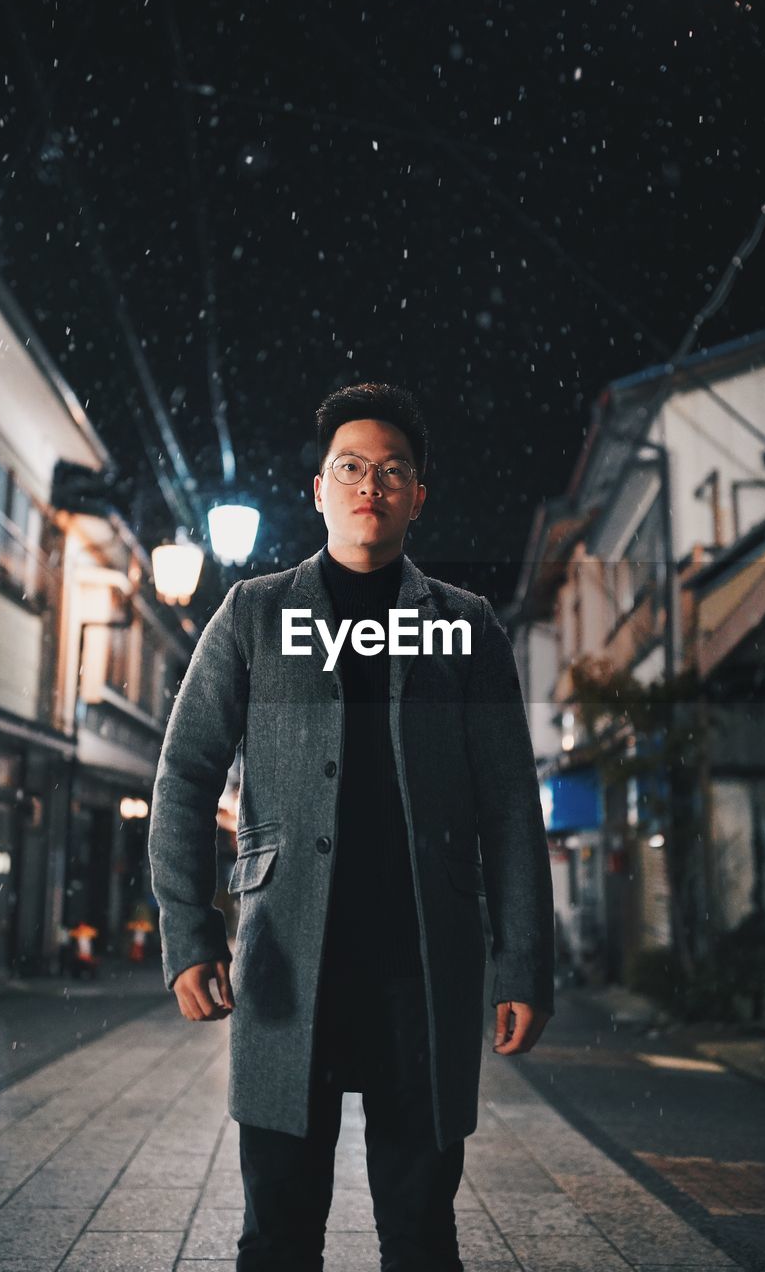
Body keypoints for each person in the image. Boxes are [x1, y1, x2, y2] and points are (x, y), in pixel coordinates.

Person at [148, 382, 555, 1272]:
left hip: (422, 967)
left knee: (420, 1235)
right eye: (351, 467)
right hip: (291, 967)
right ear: (321, 491)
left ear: (418, 495)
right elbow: (183, 777)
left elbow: (510, 809)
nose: (371, 483)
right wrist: (188, 934)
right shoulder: (255, 615)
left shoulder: (465, 625)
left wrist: (523, 962)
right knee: (278, 1234)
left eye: (393, 470)